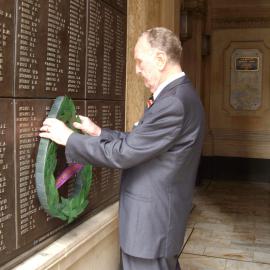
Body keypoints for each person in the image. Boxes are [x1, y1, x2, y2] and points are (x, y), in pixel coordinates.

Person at [40, 27, 204, 270]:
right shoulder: (179, 96)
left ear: (160, 60)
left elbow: (125, 153)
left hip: (150, 229)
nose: (136, 70)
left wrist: (69, 139)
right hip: (154, 227)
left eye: (139, 61)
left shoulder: (173, 102)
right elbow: (141, 143)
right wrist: (99, 133)